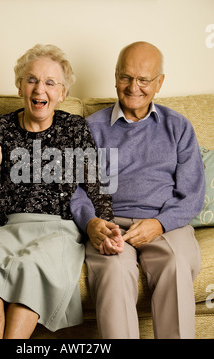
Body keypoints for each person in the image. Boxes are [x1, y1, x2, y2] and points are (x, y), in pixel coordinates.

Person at [0, 44, 117, 339]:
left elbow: (97, 187)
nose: (39, 89)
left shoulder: (75, 128)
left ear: (62, 93)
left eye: (50, 82)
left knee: (32, 270)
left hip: (57, 230)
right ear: (20, 85)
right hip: (2, 228)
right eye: (31, 79)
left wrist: (105, 224)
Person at [70, 41, 206, 339]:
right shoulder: (89, 129)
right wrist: (91, 223)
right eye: (125, 77)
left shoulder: (178, 126)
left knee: (175, 264)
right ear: (115, 76)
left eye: (144, 79)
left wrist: (159, 224)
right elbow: (75, 189)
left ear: (159, 83)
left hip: (166, 225)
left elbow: (193, 192)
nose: (134, 87)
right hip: (110, 225)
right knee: (115, 274)